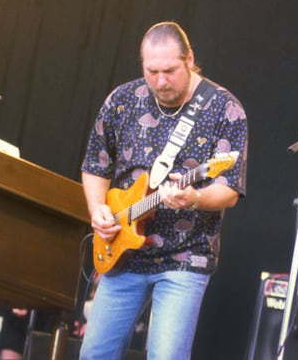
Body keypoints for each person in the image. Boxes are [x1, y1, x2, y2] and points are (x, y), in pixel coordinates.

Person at [79, 21, 248, 360]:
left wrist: (195, 198)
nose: (160, 81)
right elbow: (95, 165)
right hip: (122, 253)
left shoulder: (225, 109)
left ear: (190, 59)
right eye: (151, 71)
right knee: (94, 355)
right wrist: (98, 209)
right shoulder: (122, 100)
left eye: (169, 71)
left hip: (184, 258)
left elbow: (229, 190)